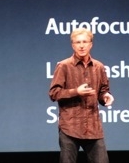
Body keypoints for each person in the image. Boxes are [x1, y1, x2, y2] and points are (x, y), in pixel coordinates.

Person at [48, 28, 115, 163]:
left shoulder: (99, 66)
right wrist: (76, 92)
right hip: (70, 127)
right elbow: (54, 93)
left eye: (85, 42)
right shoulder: (64, 66)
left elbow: (103, 91)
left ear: (91, 44)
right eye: (78, 42)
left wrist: (106, 96)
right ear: (73, 45)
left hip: (93, 128)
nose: (82, 45)